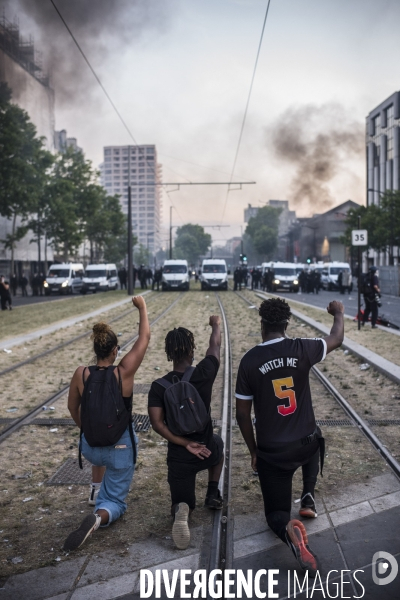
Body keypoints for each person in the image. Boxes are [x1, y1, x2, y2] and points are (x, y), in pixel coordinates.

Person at [235, 297, 344, 576]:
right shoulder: (302, 348)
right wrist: (338, 312)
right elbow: (336, 338)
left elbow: (242, 415)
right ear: (286, 323)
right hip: (305, 445)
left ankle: (289, 532)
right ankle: (308, 495)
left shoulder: (249, 361)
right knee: (315, 435)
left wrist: (254, 451)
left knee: (275, 515)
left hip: (273, 453)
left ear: (262, 324)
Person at [63, 296, 150, 551]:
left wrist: (86, 428)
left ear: (96, 350)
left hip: (90, 448)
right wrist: (142, 307)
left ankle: (94, 491)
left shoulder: (81, 373)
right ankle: (99, 515)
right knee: (116, 501)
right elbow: (144, 338)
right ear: (115, 351)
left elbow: (71, 407)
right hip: (120, 448)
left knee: (101, 452)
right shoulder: (123, 372)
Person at [148, 317, 224, 550]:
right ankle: (212, 492)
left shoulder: (158, 386)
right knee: (219, 445)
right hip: (206, 449)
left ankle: (182, 509)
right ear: (191, 351)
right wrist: (215, 326)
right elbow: (215, 347)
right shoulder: (204, 372)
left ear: (169, 354)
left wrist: (184, 443)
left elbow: (157, 424)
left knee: (181, 500)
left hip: (179, 458)